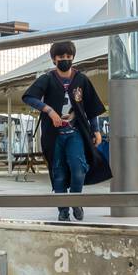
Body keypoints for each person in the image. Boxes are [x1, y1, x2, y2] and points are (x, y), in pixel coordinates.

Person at [23, 41, 111, 222]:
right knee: (59, 172)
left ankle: (76, 201)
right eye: (61, 57)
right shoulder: (47, 79)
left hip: (76, 132)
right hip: (53, 135)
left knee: (79, 168)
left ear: (73, 58)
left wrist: (96, 130)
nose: (65, 60)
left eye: (68, 57)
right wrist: (49, 111)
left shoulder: (81, 79)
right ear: (54, 59)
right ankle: (63, 209)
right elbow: (29, 96)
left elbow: (91, 107)